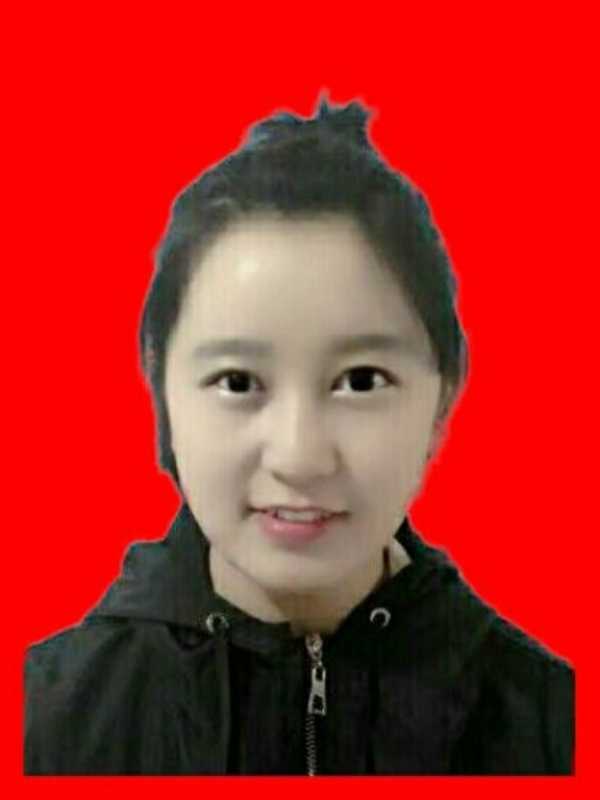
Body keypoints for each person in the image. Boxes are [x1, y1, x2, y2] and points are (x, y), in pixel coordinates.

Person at [23, 93, 574, 775]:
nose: (300, 456)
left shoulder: (553, 728)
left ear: (445, 392)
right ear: (159, 382)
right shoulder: (43, 727)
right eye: (237, 381)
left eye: (361, 381)